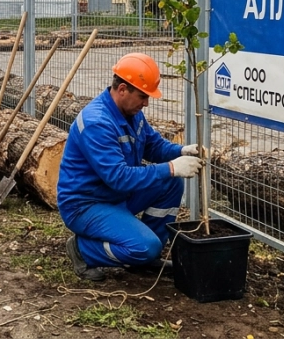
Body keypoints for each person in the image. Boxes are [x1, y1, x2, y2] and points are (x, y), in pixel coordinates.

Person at [56, 53, 203, 281]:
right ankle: (83, 250)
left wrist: (181, 151)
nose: (146, 103)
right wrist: (172, 167)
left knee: (171, 182)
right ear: (123, 89)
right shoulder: (97, 122)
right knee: (145, 246)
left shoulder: (131, 114)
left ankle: (145, 259)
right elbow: (118, 177)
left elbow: (153, 146)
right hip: (86, 204)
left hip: (115, 196)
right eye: (143, 96)